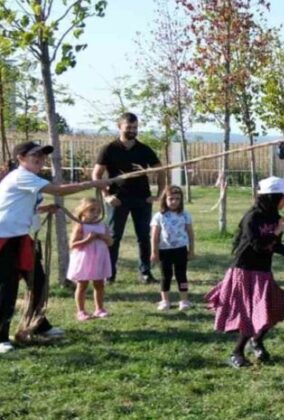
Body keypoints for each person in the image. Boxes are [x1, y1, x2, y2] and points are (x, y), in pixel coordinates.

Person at [0, 143, 106, 351]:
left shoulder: (27, 178)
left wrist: (42, 209)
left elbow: (17, 205)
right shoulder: (21, 176)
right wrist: (99, 182)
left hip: (19, 238)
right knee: (7, 288)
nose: (40, 158)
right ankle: (1, 336)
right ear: (21, 157)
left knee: (38, 282)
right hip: (4, 239)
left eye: (42, 155)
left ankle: (39, 324)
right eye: (34, 155)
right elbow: (58, 190)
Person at [206, 177, 284, 369]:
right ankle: (236, 352)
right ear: (272, 197)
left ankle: (257, 340)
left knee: (273, 308)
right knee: (250, 313)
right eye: (283, 197)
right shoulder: (252, 217)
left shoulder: (275, 217)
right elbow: (258, 245)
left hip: (263, 271)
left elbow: (274, 246)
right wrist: (278, 229)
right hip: (245, 270)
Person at [92, 112, 166, 284]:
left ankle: (145, 273)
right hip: (118, 200)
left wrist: (158, 195)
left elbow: (161, 170)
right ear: (120, 127)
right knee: (114, 237)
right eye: (129, 127)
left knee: (144, 236)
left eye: (135, 127)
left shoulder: (144, 149)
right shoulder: (109, 149)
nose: (132, 130)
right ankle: (109, 274)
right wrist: (107, 196)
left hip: (142, 200)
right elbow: (96, 174)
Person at [67, 197, 114, 321]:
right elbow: (72, 244)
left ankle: (99, 309)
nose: (96, 213)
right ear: (83, 211)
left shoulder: (102, 225)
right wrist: (87, 240)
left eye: (98, 210)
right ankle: (81, 311)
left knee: (99, 284)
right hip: (85, 259)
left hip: (99, 258)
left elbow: (110, 242)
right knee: (82, 284)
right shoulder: (81, 226)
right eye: (92, 210)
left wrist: (104, 237)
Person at [151, 185, 195, 311]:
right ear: (165, 199)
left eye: (177, 199)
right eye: (171, 199)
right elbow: (154, 236)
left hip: (180, 250)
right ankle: (165, 300)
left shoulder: (185, 215)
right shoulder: (159, 216)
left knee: (181, 275)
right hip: (164, 251)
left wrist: (191, 250)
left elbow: (191, 234)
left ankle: (184, 300)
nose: (174, 201)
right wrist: (154, 252)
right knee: (166, 275)